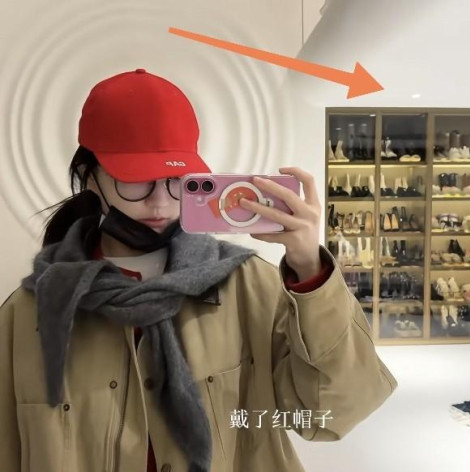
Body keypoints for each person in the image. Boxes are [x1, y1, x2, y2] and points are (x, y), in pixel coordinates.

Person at [0, 69, 397, 472]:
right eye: (134, 181)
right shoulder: (29, 315)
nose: (160, 203)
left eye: (177, 180)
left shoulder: (248, 288)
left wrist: (310, 270)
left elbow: (332, 414)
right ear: (89, 178)